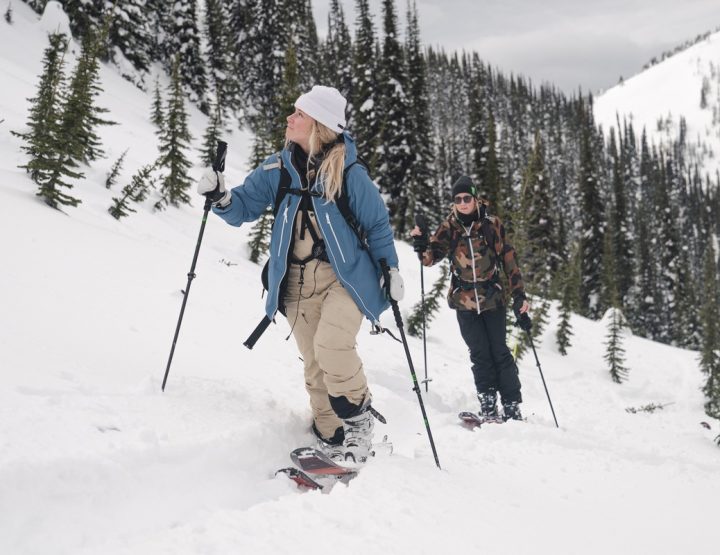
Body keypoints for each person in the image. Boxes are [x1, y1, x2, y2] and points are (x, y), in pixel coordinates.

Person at [197, 85, 404, 464]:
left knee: (332, 347)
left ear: (319, 125)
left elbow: (377, 226)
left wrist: (390, 270)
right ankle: (332, 437)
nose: (289, 119)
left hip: (345, 281)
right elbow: (242, 208)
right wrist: (221, 198)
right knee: (315, 366)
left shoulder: (349, 172)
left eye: (299, 114)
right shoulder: (278, 168)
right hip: (294, 284)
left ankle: (360, 430)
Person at [410, 176, 530, 421]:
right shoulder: (448, 228)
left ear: (475, 199)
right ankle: (487, 403)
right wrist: (421, 241)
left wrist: (519, 296)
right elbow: (430, 259)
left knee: (500, 352)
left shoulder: (491, 224)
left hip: (493, 298)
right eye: (458, 199)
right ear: (454, 203)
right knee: (479, 354)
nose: (463, 203)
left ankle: (511, 405)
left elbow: (509, 259)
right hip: (463, 301)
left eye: (467, 198)